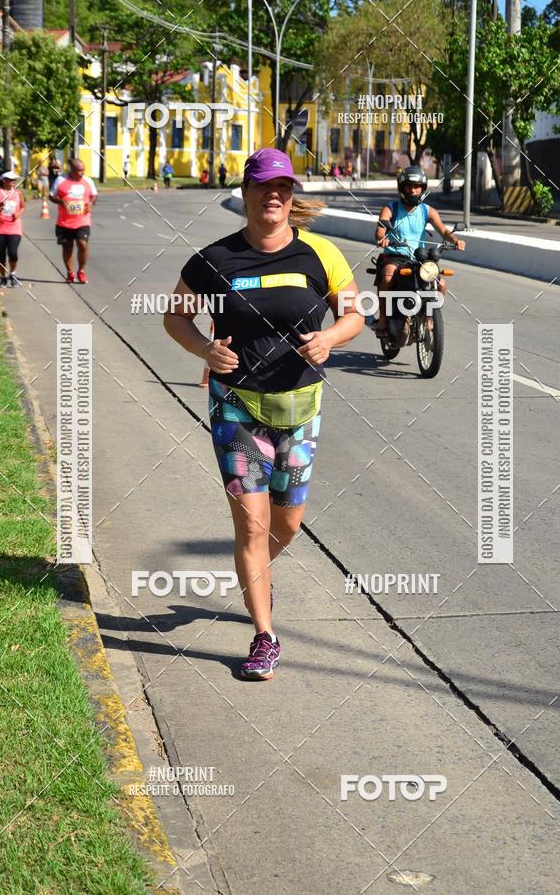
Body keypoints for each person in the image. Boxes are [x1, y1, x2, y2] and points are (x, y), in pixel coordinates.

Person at [164, 148, 363, 680]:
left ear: (290, 196)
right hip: (236, 409)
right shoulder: (213, 260)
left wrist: (330, 339)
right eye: (262, 187)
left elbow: (353, 315)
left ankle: (255, 577)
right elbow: (175, 317)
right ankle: (264, 634)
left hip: (300, 408)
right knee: (251, 528)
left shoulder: (320, 255)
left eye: (282, 187)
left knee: (287, 524)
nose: (272, 195)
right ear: (246, 195)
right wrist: (205, 351)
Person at [373, 165, 465, 338]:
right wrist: (382, 237)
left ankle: (430, 316)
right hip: (395, 255)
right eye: (409, 186)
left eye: (417, 187)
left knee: (441, 284)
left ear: (422, 189)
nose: (413, 190)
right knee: (388, 275)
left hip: (419, 257)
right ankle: (384, 318)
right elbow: (381, 227)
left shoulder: (427, 210)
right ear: (402, 188)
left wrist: (455, 240)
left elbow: (444, 231)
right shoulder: (391, 208)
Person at [49, 158, 98, 284]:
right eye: (78, 171)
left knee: (83, 244)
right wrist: (61, 201)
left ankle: (81, 271)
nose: (81, 173)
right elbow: (51, 196)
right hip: (64, 221)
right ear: (71, 170)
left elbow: (94, 195)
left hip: (83, 220)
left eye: (83, 170)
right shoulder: (61, 180)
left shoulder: (88, 180)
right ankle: (70, 273)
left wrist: (92, 203)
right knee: (67, 247)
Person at [0, 170, 25, 287]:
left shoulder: (18, 192)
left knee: (13, 253)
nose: (13, 182)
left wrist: (18, 214)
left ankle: (12, 274)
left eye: (14, 180)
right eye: (11, 180)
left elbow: (23, 206)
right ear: (4, 180)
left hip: (14, 228)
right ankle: (3, 277)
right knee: (1, 255)